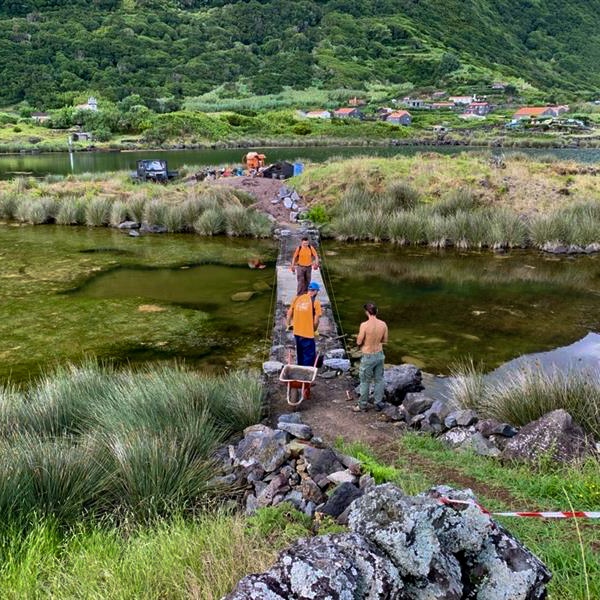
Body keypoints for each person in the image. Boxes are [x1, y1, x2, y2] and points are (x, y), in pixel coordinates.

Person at [354, 302, 388, 413]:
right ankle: (378, 403)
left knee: (365, 381)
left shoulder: (364, 325)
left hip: (368, 355)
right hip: (379, 354)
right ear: (376, 311)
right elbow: (385, 340)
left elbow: (359, 340)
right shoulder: (383, 324)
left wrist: (361, 344)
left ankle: (362, 405)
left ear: (367, 312)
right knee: (379, 380)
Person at [286, 281, 322, 367]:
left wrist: (288, 325)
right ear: (316, 291)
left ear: (309, 290)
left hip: (297, 332)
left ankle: (299, 369)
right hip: (308, 334)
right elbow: (316, 320)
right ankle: (306, 373)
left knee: (300, 353)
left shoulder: (297, 298)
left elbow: (289, 313)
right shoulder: (315, 303)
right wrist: (315, 330)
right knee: (309, 355)